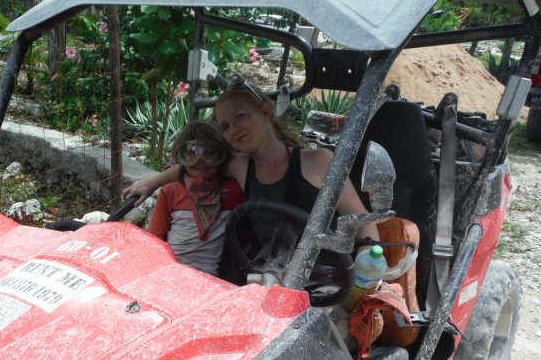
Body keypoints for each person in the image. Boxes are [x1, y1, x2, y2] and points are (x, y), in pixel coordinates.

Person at [125, 77, 379, 248]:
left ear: (265, 112)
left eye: (240, 117)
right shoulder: (239, 166)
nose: (233, 129)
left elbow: (363, 221)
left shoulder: (317, 161)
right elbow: (196, 164)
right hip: (269, 279)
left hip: (325, 279)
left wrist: (369, 266)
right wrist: (152, 182)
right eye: (225, 126)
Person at [147, 120, 244, 275]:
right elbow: (153, 241)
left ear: (223, 156)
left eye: (210, 153)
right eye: (191, 152)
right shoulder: (171, 191)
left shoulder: (234, 191)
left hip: (211, 279)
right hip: (168, 271)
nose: (200, 161)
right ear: (181, 157)